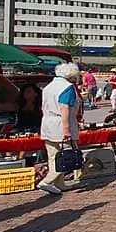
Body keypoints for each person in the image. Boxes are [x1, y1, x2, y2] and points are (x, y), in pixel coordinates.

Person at [37, 62, 83, 195]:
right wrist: (66, 129)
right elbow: (64, 108)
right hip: (61, 123)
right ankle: (47, 181)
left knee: (53, 155)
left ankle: (59, 183)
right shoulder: (67, 87)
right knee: (66, 156)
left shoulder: (48, 87)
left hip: (47, 123)